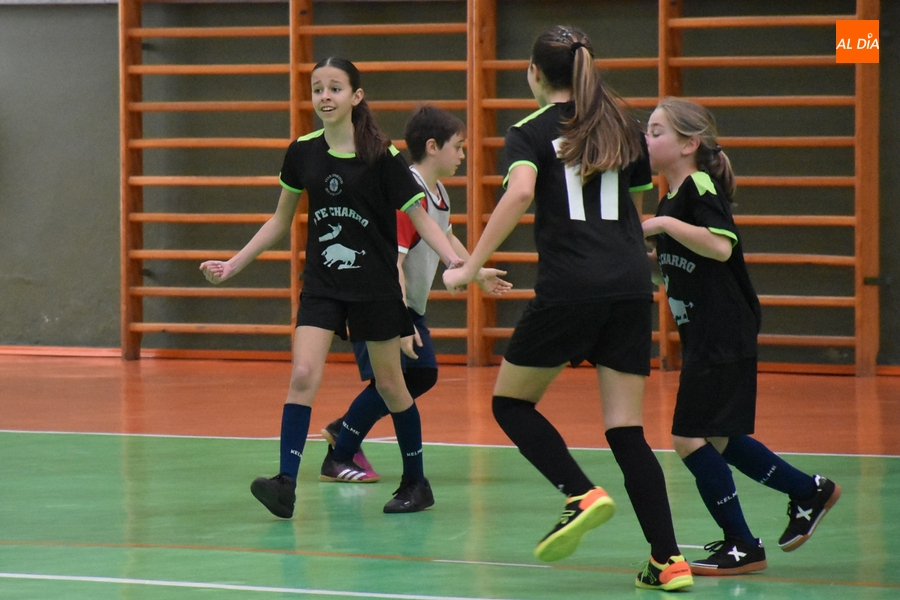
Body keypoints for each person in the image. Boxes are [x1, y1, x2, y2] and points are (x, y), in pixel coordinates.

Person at [442, 26, 693, 591]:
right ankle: (669, 561)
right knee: (627, 430)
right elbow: (633, 208)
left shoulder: (528, 132)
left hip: (570, 286)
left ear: (533, 74)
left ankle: (579, 492)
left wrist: (470, 266)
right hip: (631, 285)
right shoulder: (621, 127)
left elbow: (521, 193)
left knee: (510, 403)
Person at [200, 57, 468, 517]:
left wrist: (455, 261)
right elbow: (279, 221)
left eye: (335, 88)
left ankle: (416, 482)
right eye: (318, 88)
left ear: (356, 97)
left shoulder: (383, 157)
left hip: (376, 288)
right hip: (323, 286)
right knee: (303, 375)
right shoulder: (302, 151)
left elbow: (422, 219)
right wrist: (233, 264)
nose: (325, 96)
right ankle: (285, 483)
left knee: (391, 384)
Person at [642, 96, 841, 576]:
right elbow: (677, 268)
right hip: (705, 332)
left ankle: (742, 543)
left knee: (688, 438)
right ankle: (807, 490)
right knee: (720, 436)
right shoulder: (670, 195)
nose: (645, 139)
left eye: (655, 131)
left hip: (721, 329)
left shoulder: (697, 187)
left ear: (689, 144)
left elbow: (720, 245)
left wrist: (663, 225)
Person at [317, 105, 511, 484]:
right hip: (383, 304)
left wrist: (473, 271)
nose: (463, 155)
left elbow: (446, 236)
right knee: (392, 382)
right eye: (459, 146)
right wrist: (400, 317)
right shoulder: (407, 193)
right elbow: (394, 263)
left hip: (407, 307)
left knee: (421, 375)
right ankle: (340, 453)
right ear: (433, 146)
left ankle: (344, 430)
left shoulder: (437, 193)